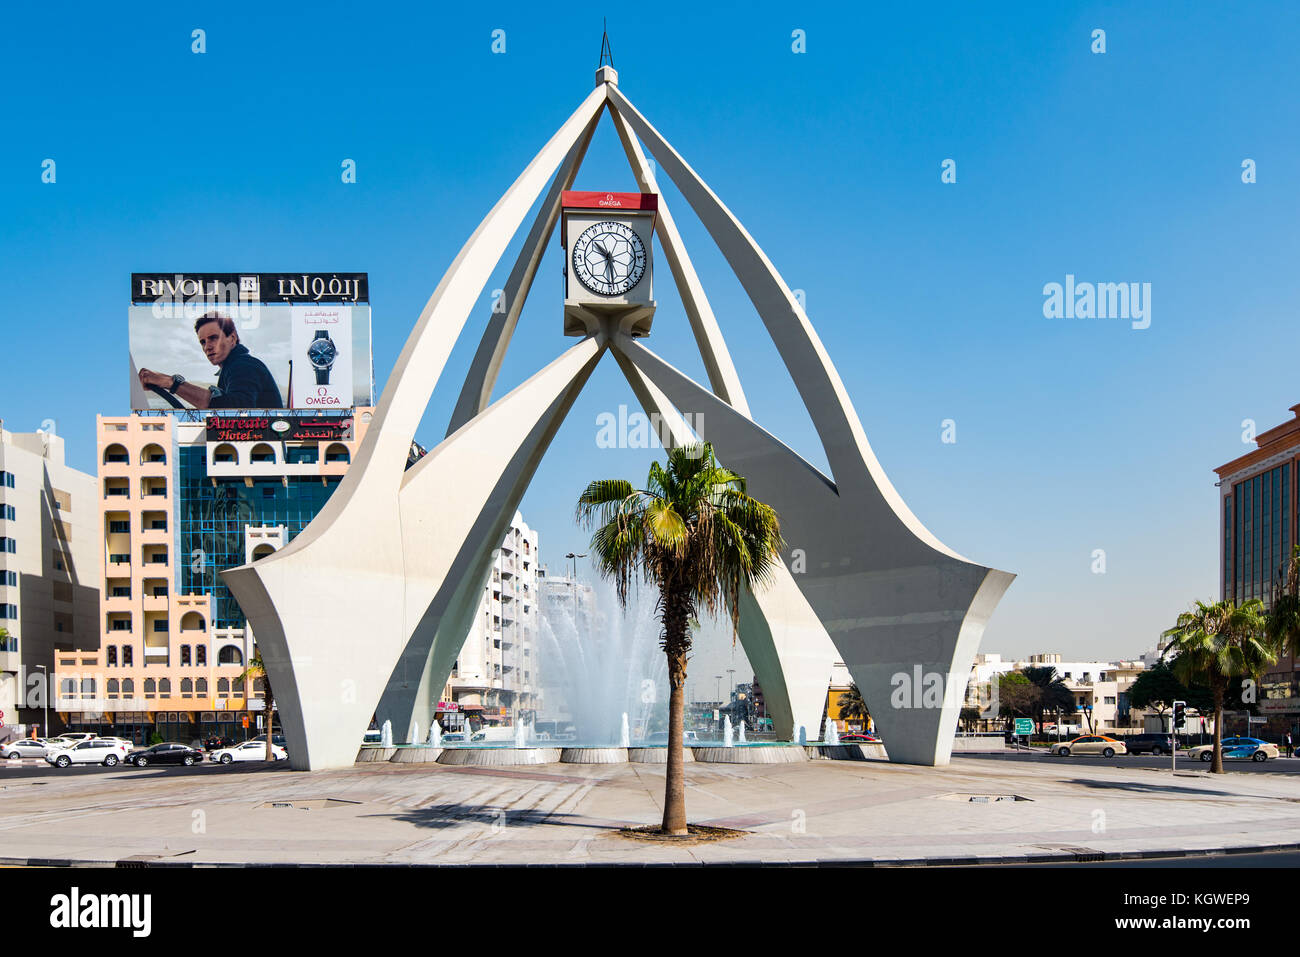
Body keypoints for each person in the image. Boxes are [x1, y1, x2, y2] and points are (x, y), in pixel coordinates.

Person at [138, 313, 282, 409]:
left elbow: (236, 408)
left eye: (213, 338)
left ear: (232, 338)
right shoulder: (232, 367)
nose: (207, 347)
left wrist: (171, 383)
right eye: (202, 342)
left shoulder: (244, 365)